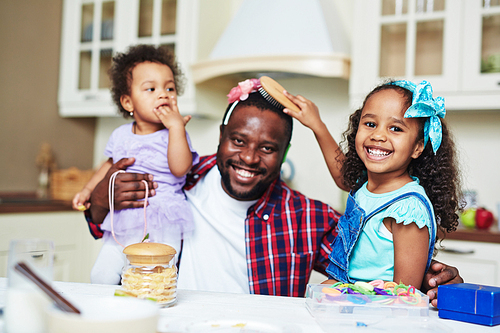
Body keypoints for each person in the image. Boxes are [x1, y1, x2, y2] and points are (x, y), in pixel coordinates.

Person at [85, 78, 463, 305]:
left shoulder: (306, 217)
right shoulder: (178, 177)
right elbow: (117, 223)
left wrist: (436, 277)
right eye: (238, 141)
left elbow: (371, 260)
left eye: (267, 148)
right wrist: (99, 203)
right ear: (220, 138)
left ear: (284, 155)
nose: (249, 157)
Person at [283, 80, 462, 290]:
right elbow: (343, 177)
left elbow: (405, 293)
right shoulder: (365, 186)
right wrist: (317, 125)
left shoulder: (408, 209)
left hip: (378, 307)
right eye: (370, 124)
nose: (378, 135)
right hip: (352, 292)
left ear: (418, 147)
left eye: (395, 128)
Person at [74, 44, 199, 284]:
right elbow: (107, 167)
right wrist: (87, 190)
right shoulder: (120, 135)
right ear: (128, 102)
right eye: (151, 88)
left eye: (170, 88)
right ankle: (110, 316)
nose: (163, 94)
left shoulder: (176, 134)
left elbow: (180, 168)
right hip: (122, 220)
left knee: (155, 279)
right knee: (101, 275)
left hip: (164, 220)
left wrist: (176, 127)